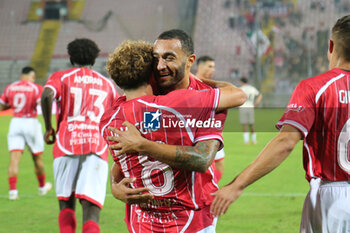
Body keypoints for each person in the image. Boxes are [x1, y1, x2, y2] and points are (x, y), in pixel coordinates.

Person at [210, 15, 350, 233]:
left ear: (331, 46)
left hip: (333, 200)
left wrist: (237, 185)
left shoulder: (314, 87)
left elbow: (286, 141)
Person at [100, 40, 246, 232]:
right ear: (151, 71)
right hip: (188, 220)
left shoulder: (108, 120)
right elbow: (238, 95)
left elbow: (124, 161)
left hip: (143, 222)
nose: (161, 66)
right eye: (157, 61)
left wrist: (114, 183)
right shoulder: (178, 103)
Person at [109, 29, 231, 205]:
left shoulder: (206, 98)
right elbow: (130, 151)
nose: (160, 66)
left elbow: (202, 158)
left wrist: (143, 145)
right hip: (146, 216)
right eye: (156, 58)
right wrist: (115, 184)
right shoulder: (150, 94)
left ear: (190, 61)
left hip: (191, 216)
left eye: (169, 58)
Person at [41, 38, 118, 233]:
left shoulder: (62, 76)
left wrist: (49, 127)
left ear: (71, 56)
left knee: (66, 204)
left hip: (67, 142)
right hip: (96, 145)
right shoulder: (107, 84)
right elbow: (116, 113)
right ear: (94, 58)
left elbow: (47, 95)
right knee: (91, 209)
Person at [0, 66, 51, 200]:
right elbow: (42, 103)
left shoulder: (11, 87)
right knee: (37, 158)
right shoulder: (35, 88)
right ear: (31, 76)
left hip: (16, 122)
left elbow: (2, 106)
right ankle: (41, 187)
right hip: (31, 123)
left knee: (14, 160)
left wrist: (14, 106)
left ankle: (13, 192)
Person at [196, 55, 225, 180]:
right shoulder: (188, 85)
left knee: (219, 165)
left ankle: (208, 191)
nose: (213, 70)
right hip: (191, 133)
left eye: (213, 67)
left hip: (211, 133)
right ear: (199, 66)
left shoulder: (214, 89)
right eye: (210, 66)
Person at [238, 77, 262, 145]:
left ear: (241, 82)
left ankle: (246, 141)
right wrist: (256, 103)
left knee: (244, 124)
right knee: (251, 124)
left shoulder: (241, 89)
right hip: (251, 107)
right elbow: (260, 95)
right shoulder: (252, 88)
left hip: (243, 107)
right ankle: (254, 140)